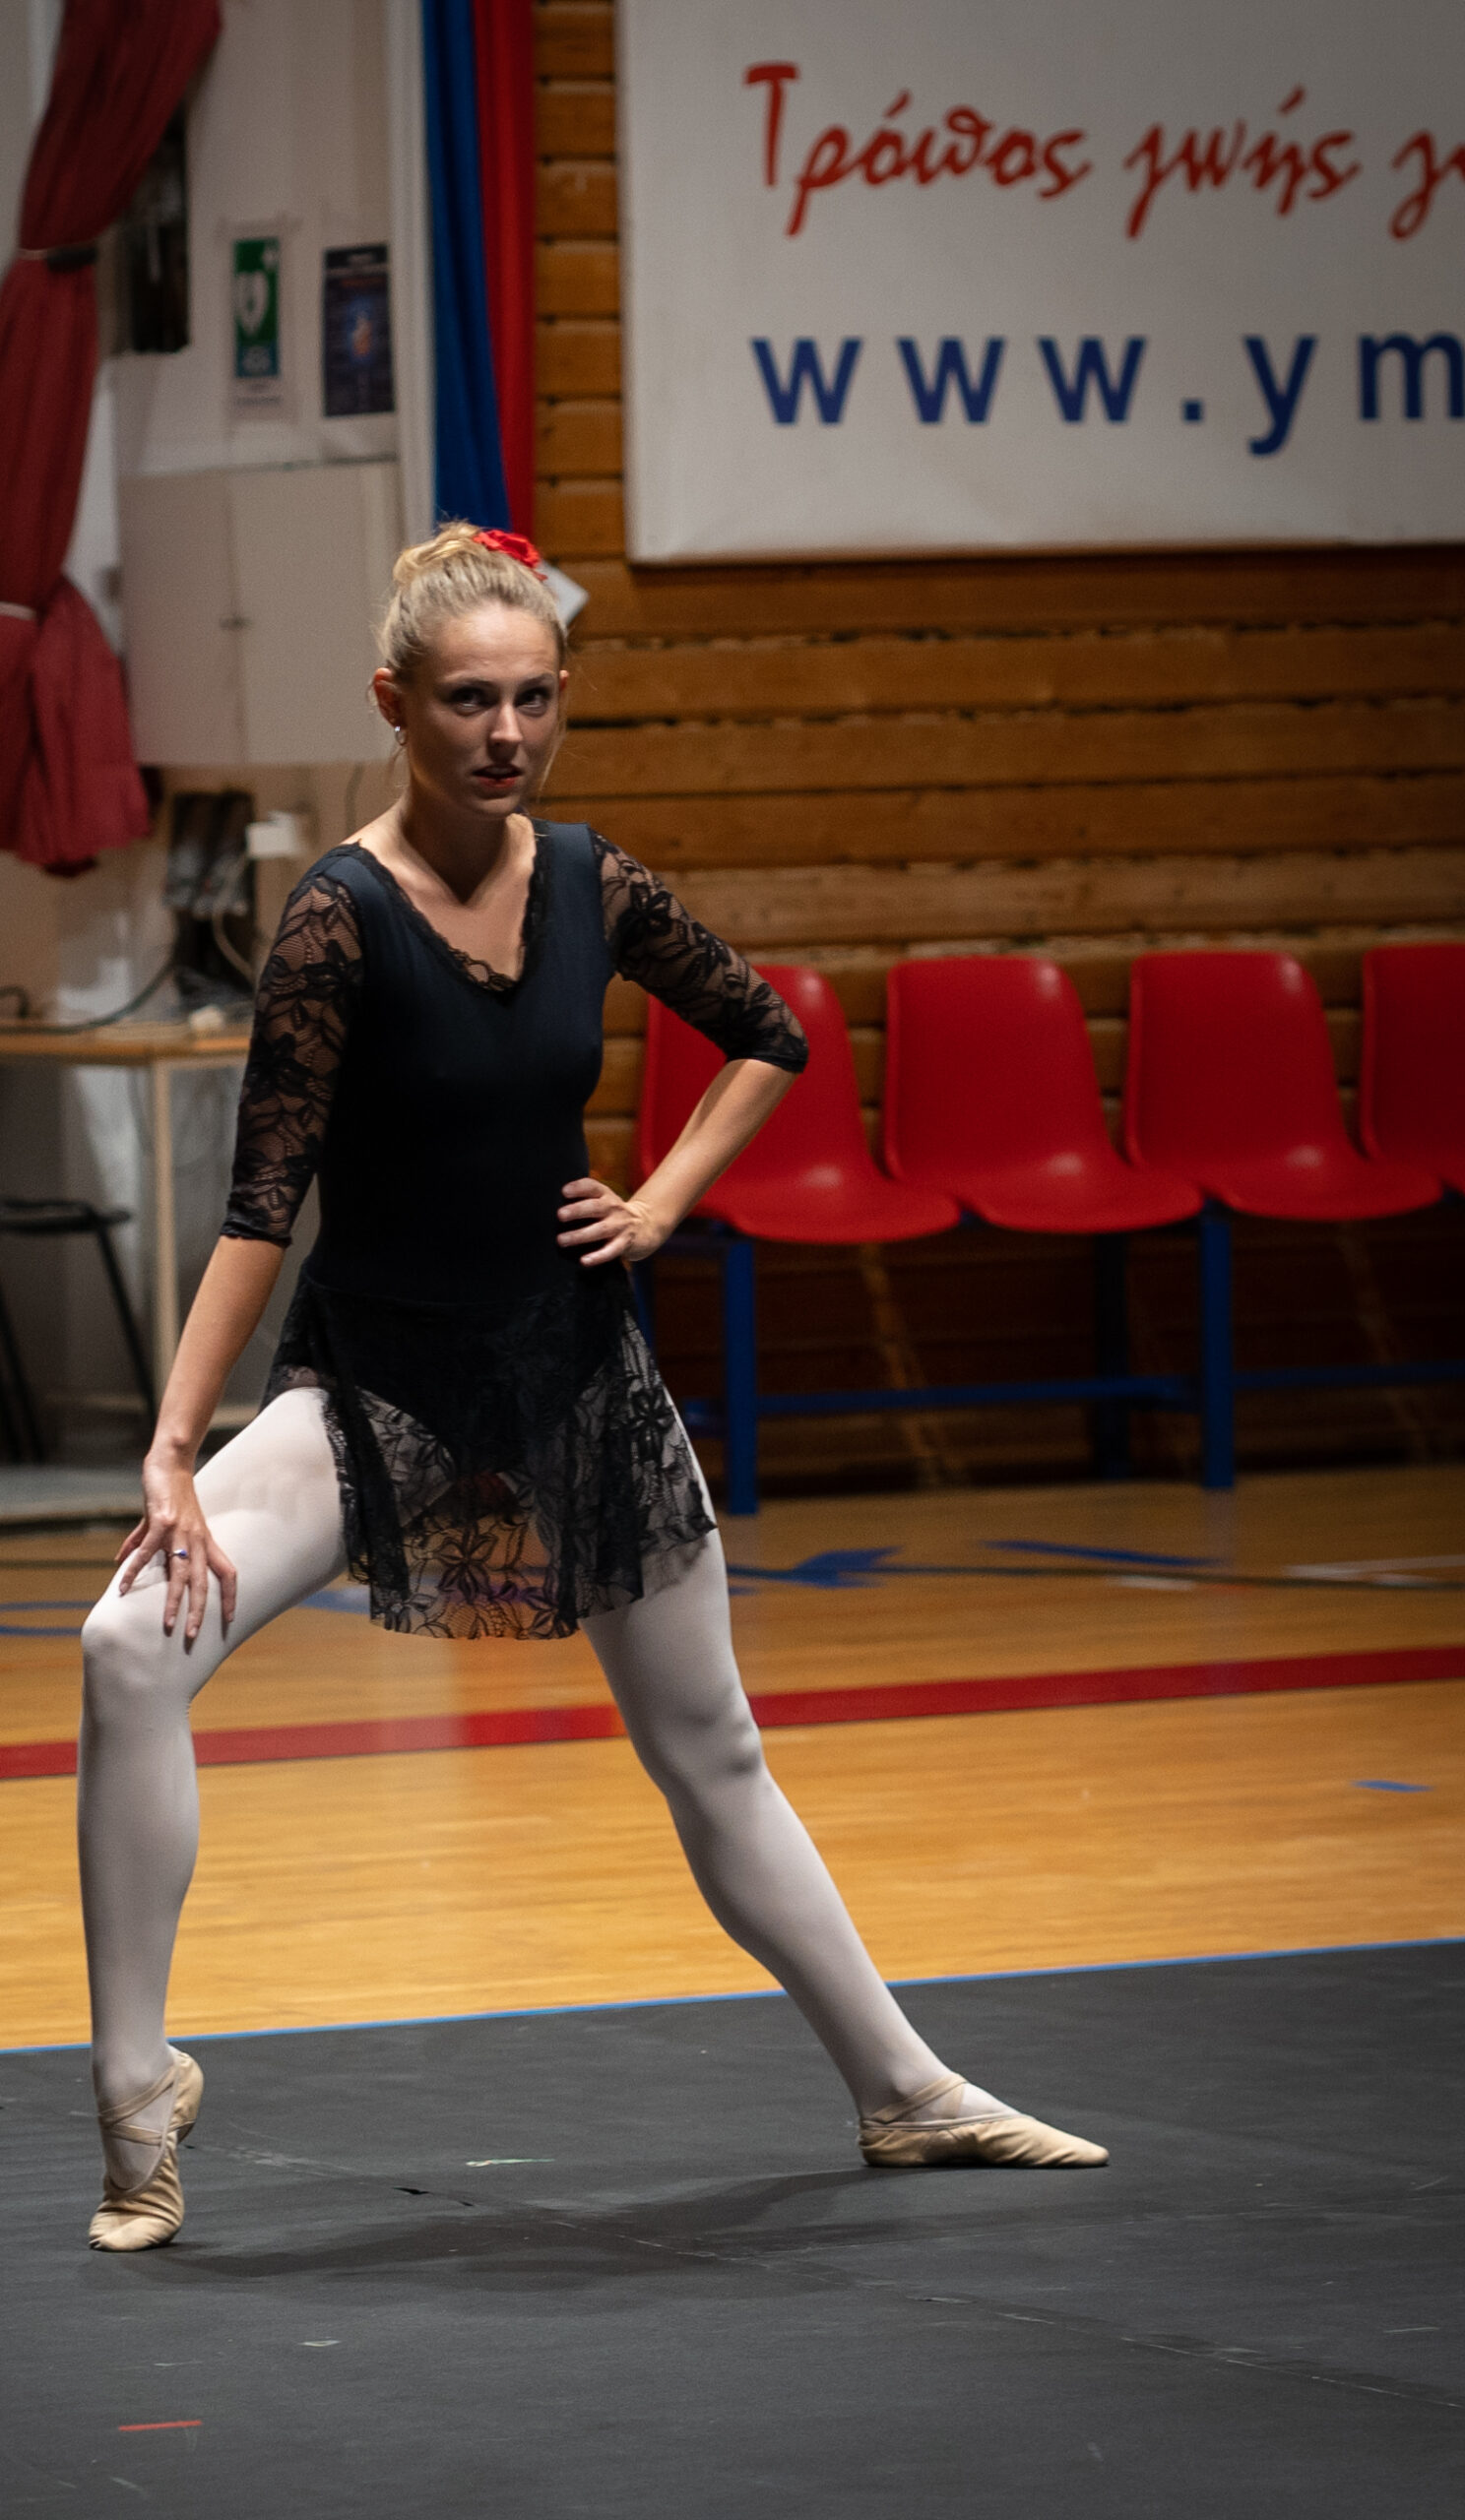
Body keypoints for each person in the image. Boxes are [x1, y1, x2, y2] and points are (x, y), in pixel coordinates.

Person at [76, 522, 1106, 2251]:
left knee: (715, 1750)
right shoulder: (335, 921)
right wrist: (177, 1444)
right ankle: (133, 2091)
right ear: (393, 704)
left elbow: (767, 1032)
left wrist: (665, 1200)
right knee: (123, 1651)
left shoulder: (592, 882)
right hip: (379, 1387)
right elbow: (263, 1201)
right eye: (468, 701)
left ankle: (906, 2090)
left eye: (534, 699)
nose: (506, 733)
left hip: (573, 1371)